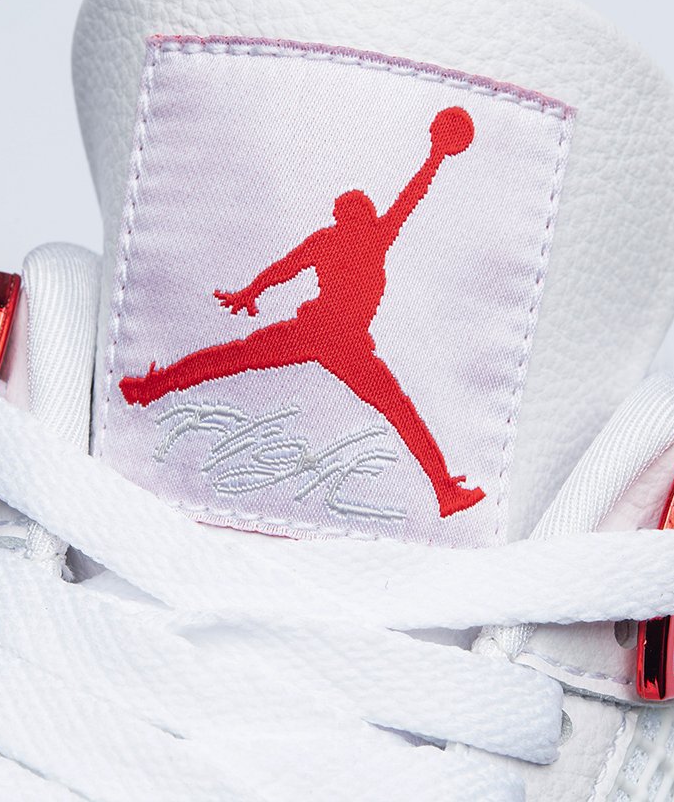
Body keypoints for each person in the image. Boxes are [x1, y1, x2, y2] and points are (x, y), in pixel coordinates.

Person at [120, 106, 485, 517]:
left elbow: (285, 268)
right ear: (354, 216)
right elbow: (407, 198)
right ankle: (444, 490)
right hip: (338, 339)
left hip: (323, 335)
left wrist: (251, 292)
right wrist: (435, 156)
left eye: (355, 211)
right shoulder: (369, 237)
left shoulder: (338, 239)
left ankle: (152, 388)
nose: (355, 215)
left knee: (233, 357)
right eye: (354, 211)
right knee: (395, 408)